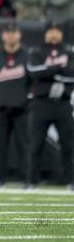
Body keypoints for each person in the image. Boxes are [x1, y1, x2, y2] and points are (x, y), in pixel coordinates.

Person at [26, 22, 74, 189]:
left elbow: (72, 73)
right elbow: (33, 71)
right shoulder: (36, 51)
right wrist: (58, 68)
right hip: (41, 102)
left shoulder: (69, 51)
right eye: (50, 31)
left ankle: (70, 180)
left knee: (68, 143)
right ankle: (32, 181)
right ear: (46, 34)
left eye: (57, 31)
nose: (53, 34)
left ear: (61, 34)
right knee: (36, 143)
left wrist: (50, 74)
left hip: (63, 103)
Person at [0, 21, 30, 187]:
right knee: (0, 147)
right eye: (8, 32)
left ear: (19, 34)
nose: (11, 35)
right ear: (3, 35)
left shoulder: (27, 55)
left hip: (22, 108)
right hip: (1, 108)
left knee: (25, 145)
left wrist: (28, 99)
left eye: (14, 32)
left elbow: (33, 81)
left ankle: (27, 179)